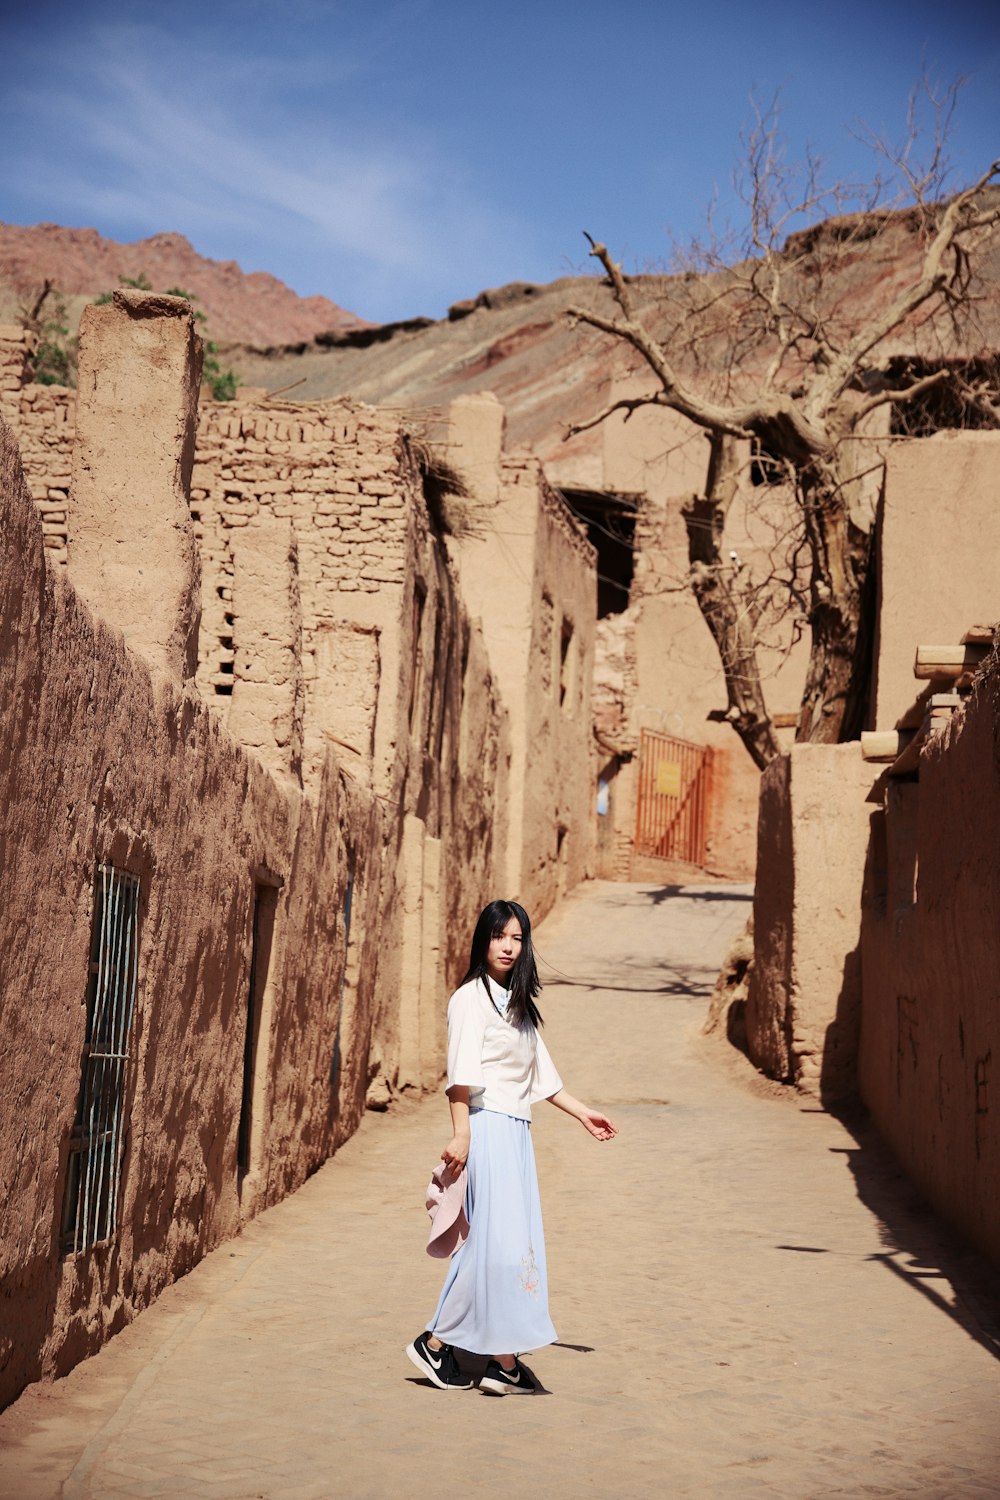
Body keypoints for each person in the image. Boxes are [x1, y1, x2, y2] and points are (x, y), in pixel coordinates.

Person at [405, 898, 618, 1395]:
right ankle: (435, 1344)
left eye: (517, 938)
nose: (508, 946)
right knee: (490, 1246)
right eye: (499, 936)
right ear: (483, 940)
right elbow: (460, 1078)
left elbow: (542, 1077)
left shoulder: (518, 1005)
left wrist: (584, 1113)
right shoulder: (469, 1000)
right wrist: (462, 1133)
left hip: (516, 1133)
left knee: (512, 1247)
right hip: (485, 1128)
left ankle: (502, 1361)